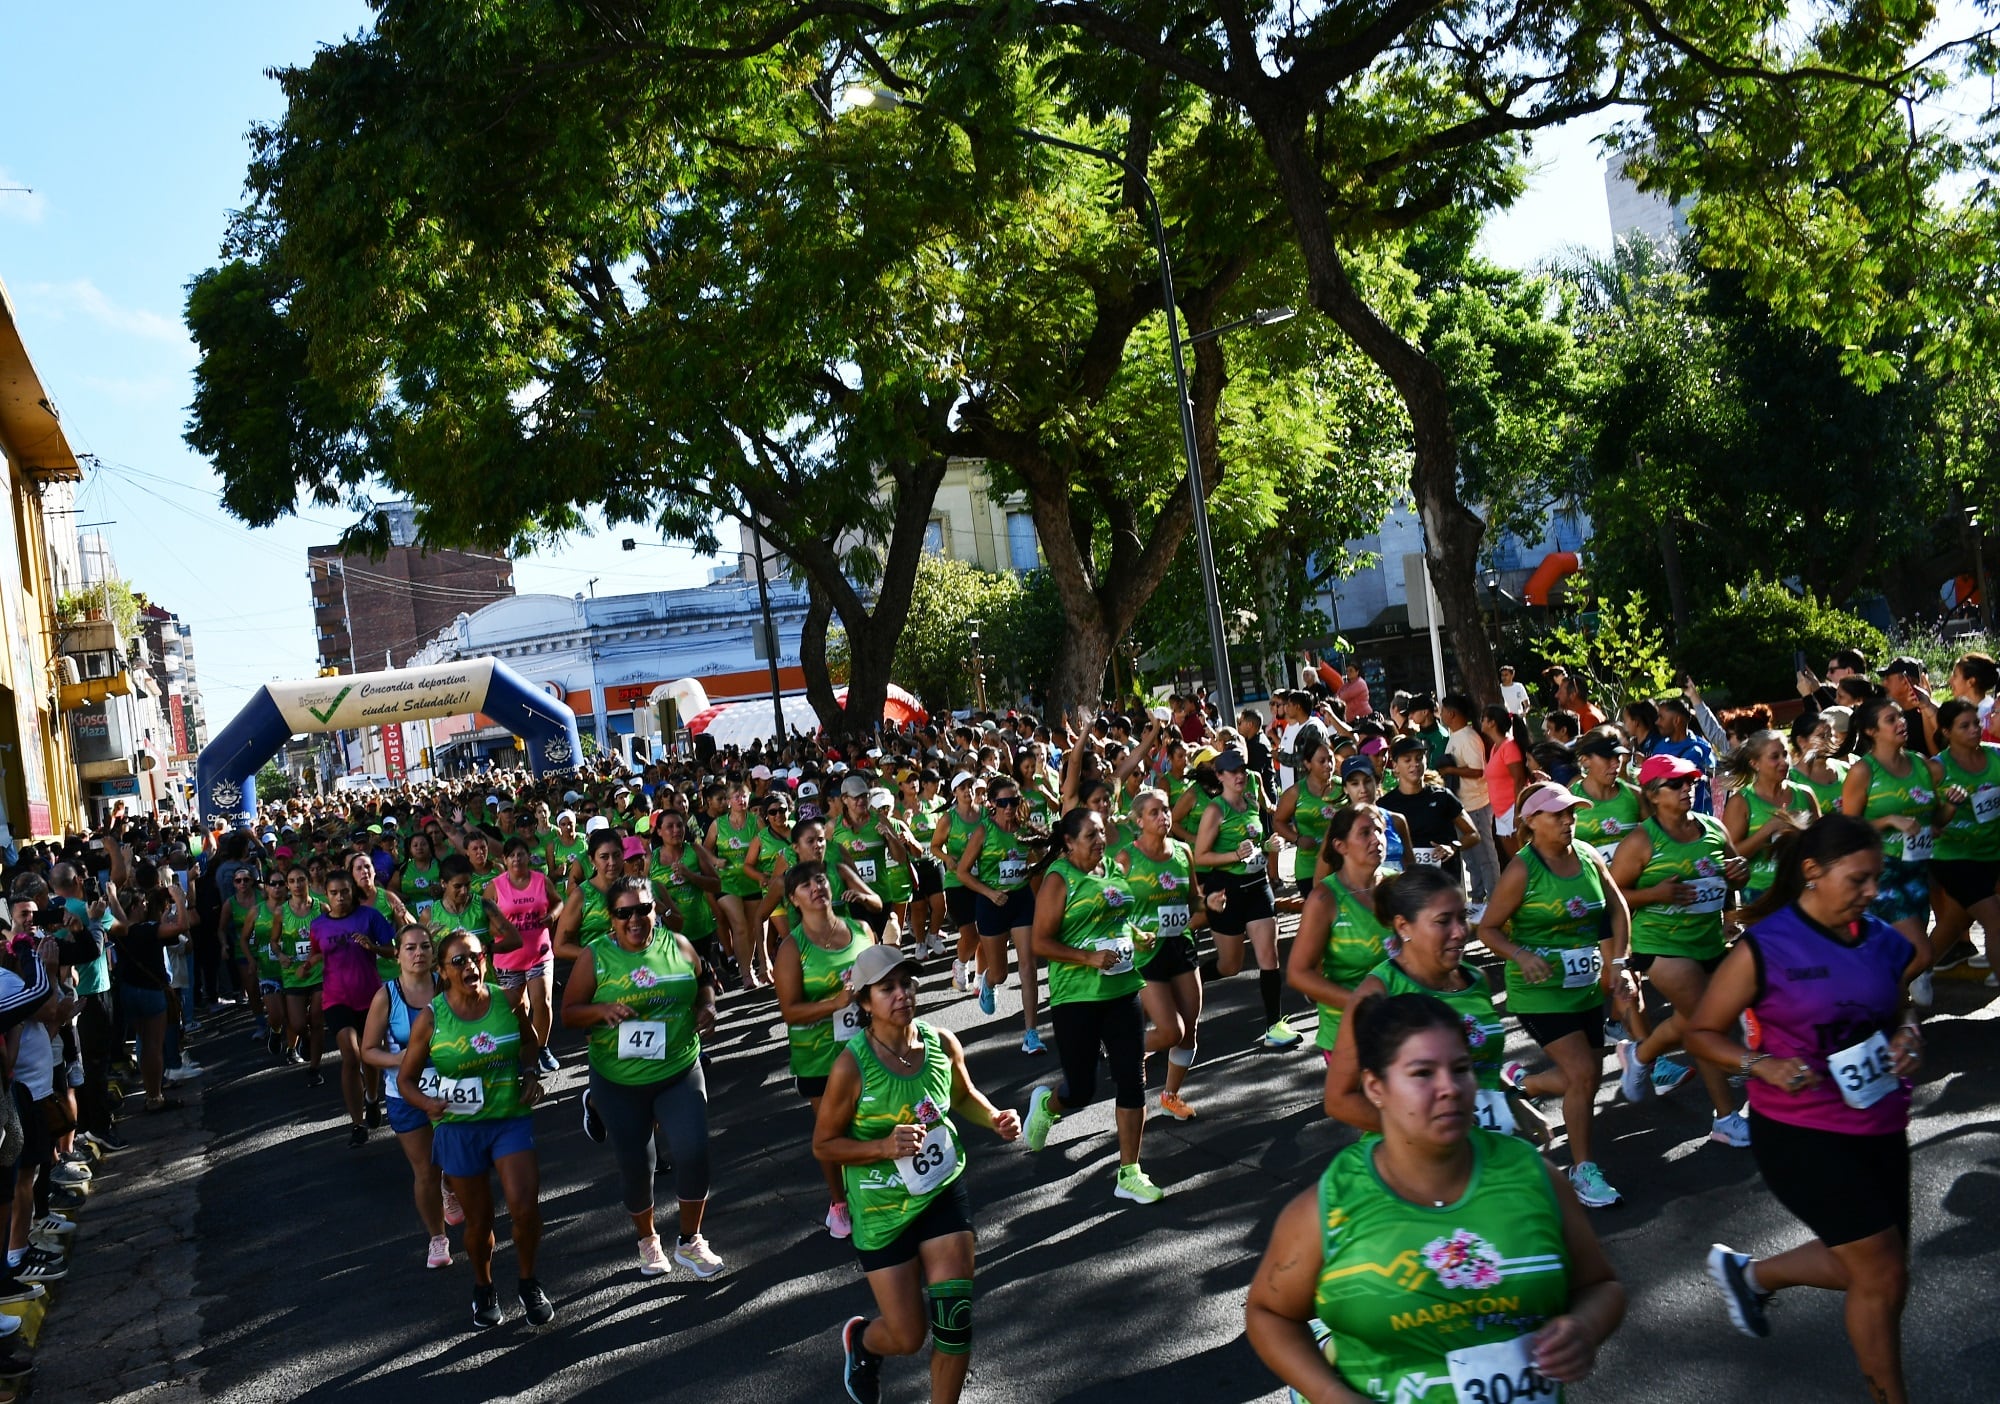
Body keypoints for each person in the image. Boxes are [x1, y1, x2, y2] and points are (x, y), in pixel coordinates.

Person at [1246, 992, 1626, 1403]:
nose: (1449, 1088)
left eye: (1460, 1068)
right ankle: (1334, 1340)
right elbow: (1269, 1314)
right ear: (1376, 1087)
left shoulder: (1533, 1178)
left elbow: (1601, 1286)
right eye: (1423, 1073)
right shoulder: (1330, 1205)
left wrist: (1583, 1328)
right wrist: (1327, 1393)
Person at [1685, 815, 1923, 1404]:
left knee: (1879, 1275)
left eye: (1877, 880)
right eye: (1860, 880)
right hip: (1801, 1132)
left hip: (1880, 1124)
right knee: (1882, 1273)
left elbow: (1896, 1014)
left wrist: (1909, 1036)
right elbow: (1702, 1033)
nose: (1873, 893)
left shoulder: (1881, 940)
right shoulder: (1766, 947)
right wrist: (1757, 1063)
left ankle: (1752, 1276)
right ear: (1813, 873)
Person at [815, 944, 1022, 1404]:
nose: (902, 994)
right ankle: (864, 1342)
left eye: (907, 983)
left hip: (940, 1192)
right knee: (908, 1336)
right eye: (887, 988)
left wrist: (993, 1118)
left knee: (955, 1322)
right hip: (882, 1209)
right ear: (865, 1002)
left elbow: (963, 1095)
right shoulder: (851, 1066)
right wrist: (882, 1146)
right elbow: (823, 1144)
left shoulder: (941, 1042)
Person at [1476, 783, 1637, 1207]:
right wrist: (1520, 953)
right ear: (1530, 822)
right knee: (1584, 1074)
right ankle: (1583, 1170)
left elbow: (1616, 907)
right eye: (1557, 815)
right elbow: (1487, 928)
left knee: (1586, 1078)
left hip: (1583, 988)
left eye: (1572, 813)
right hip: (1539, 992)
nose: (1569, 820)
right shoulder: (1522, 870)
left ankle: (1520, 1086)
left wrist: (1620, 963)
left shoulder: (1585, 854)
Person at [560, 873, 722, 1279]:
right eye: (624, 912)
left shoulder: (678, 945)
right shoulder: (595, 956)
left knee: (693, 1150)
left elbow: (704, 982)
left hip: (678, 1068)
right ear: (611, 917)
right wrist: (600, 1011)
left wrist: (709, 1008)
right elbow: (569, 1013)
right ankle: (648, 1240)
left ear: (656, 909)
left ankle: (690, 1241)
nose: (635, 919)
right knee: (638, 1163)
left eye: (643, 909)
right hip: (619, 1080)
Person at [397, 927, 552, 1330]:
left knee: (524, 1207)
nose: (470, 966)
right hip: (460, 1130)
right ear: (443, 971)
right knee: (479, 1222)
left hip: (508, 1120)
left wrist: (532, 1071)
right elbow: (405, 1081)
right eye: (459, 961)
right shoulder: (432, 1017)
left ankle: (528, 1281)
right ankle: (483, 1286)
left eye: (476, 957)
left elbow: (530, 1041)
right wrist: (429, 1104)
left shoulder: (506, 1001)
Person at [1021, 809, 1164, 1204]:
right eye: (1090, 835)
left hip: (1122, 989)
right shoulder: (1058, 880)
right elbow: (1040, 943)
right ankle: (1048, 1106)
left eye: (1102, 832)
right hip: (1077, 997)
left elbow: (1115, 920)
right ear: (1068, 842)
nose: (1100, 840)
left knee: (1133, 1078)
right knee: (1082, 1089)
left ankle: (1129, 1172)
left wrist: (1138, 937)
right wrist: (1087, 959)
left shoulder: (1112, 871)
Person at [1610, 753, 1752, 1143]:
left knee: (1695, 1023)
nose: (1687, 788)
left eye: (1690, 781)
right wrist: (1656, 892)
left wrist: (1740, 874)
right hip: (1660, 945)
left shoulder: (1711, 827)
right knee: (1707, 1023)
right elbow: (1613, 896)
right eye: (1676, 784)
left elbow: (1733, 872)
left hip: (1707, 942)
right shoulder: (1641, 840)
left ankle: (1640, 1054)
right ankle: (1725, 1118)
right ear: (1653, 794)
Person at [773, 860, 880, 1241]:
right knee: (832, 1131)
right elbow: (790, 1011)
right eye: (804, 886)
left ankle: (879, 1192)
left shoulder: (861, 929)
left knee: (875, 1121)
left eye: (819, 879)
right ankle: (839, 1202)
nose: (815, 887)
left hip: (869, 1048)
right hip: (818, 1057)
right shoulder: (791, 948)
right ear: (793, 901)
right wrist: (833, 1004)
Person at [358, 923, 454, 1268]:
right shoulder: (387, 995)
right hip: (405, 1093)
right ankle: (437, 1238)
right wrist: (401, 1058)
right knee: (425, 1170)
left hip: (453, 1088)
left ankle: (452, 1185)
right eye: (410, 948)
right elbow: (368, 1050)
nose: (418, 954)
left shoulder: (448, 986)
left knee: (458, 1163)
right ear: (396, 954)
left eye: (426, 947)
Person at [1839, 695, 1945, 1005]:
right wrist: (1887, 819)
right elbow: (1849, 828)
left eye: (1900, 717)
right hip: (1881, 871)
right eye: (1891, 720)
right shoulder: (1863, 771)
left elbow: (1935, 818)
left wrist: (1946, 810)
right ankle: (1874, 1002)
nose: (1901, 723)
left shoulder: (1920, 764)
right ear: (1872, 731)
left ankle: (1885, 1016)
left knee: (1899, 954)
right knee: (1920, 953)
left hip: (1918, 867)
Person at [1192, 746, 1297, 1047]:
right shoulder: (1215, 810)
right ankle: (1187, 981)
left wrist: (1269, 845)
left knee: (1269, 956)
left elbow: (1257, 844)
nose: (1240, 776)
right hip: (1226, 891)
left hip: (1257, 886)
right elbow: (1201, 855)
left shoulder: (1251, 799)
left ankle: (1273, 1026)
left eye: (1242, 770)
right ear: (1220, 776)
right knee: (1230, 966)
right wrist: (1233, 855)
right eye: (1233, 772)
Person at [1115, 787, 1210, 1120]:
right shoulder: (1127, 858)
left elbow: (1195, 902)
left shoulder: (1184, 852)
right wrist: (1132, 934)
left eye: (1166, 810)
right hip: (1144, 953)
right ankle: (1124, 1048)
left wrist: (1207, 909)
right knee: (1171, 1031)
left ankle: (1170, 1096)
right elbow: (1108, 909)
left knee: (1191, 1029)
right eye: (1154, 812)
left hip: (1179, 945)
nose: (1164, 817)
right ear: (1139, 820)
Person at [301, 870, 399, 1147]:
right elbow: (317, 952)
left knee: (370, 1056)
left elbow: (393, 950)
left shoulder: (369, 917)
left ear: (352, 891)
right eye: (334, 893)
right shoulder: (319, 925)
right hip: (336, 997)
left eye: (344, 891)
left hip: (370, 997)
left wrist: (373, 948)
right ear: (327, 896)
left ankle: (371, 1098)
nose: (340, 897)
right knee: (351, 1056)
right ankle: (357, 1123)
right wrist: (309, 963)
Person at [1287, 807, 1392, 1062]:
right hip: (1349, 1037)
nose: (1376, 839)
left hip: (1402, 1029)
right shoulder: (1325, 899)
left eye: (1379, 831)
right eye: (1365, 833)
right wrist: (1361, 1002)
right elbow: (1298, 974)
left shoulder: (1398, 885)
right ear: (1340, 845)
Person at [953, 775, 1045, 1053]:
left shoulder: (1024, 829)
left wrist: (1040, 843)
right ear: (992, 804)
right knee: (1002, 973)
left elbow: (1036, 862)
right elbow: (962, 872)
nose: (1009, 807)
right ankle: (988, 982)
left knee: (1028, 966)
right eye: (1003, 802)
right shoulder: (984, 831)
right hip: (991, 903)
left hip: (1020, 900)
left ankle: (1031, 1034)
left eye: (1014, 801)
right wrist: (990, 893)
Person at [1925, 698, 1999, 979]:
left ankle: (1913, 973)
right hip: (1952, 856)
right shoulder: (1936, 769)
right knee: (1995, 919)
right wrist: (1948, 809)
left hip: (1991, 851)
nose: (1974, 730)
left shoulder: (1997, 757)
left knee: (1955, 923)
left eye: (1976, 724)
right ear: (1946, 732)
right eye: (1964, 726)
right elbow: (1928, 819)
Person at [487, 837, 560, 1072]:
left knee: (544, 1002)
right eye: (512, 855)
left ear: (529, 857)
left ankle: (542, 1048)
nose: (517, 859)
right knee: (518, 1009)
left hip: (539, 951)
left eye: (521, 854)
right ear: (504, 860)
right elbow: (483, 915)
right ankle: (522, 1050)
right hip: (508, 957)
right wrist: (495, 930)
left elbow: (558, 903)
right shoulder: (495, 885)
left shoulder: (541, 880)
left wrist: (552, 916)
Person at [1722, 729, 1820, 903]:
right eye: (1774, 757)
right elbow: (1731, 857)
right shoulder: (1741, 802)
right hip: (1760, 893)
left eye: (1785, 754)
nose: (1784, 762)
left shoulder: (1804, 794)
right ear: (1755, 763)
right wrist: (1768, 829)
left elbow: (1822, 842)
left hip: (1804, 888)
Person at [1376, 736, 1477, 888]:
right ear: (1395, 766)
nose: (1414, 764)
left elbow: (1473, 834)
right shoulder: (1385, 805)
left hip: (1444, 881)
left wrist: (1452, 846)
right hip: (1407, 885)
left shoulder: (1443, 796)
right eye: (1407, 760)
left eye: (1419, 758)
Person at [1438, 695, 1498, 902]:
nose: (1441, 713)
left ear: (1452, 713)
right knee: (1470, 858)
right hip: (1462, 806)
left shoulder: (1469, 737)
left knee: (1485, 857)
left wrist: (1450, 770)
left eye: (1443, 710)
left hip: (1477, 804)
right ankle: (1479, 897)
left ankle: (1495, 897)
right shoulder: (1454, 736)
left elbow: (1478, 770)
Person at [932, 771, 987, 994]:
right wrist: (947, 858)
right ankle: (961, 965)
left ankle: (982, 978)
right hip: (957, 882)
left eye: (970, 786)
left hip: (983, 879)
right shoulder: (948, 819)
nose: (968, 790)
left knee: (987, 933)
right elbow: (935, 846)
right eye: (962, 787)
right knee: (971, 934)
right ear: (955, 792)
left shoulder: (985, 815)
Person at [1274, 729, 1337, 900]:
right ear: (1308, 764)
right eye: (1321, 761)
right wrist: (1296, 839)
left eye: (1330, 759)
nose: (1328, 765)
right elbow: (1278, 821)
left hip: (1342, 866)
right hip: (1309, 868)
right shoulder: (1296, 792)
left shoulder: (1344, 787)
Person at [1571, 728, 1640, 862]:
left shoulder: (1635, 796)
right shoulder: (1570, 800)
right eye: (1607, 757)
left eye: (1617, 756)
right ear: (1585, 761)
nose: (1615, 764)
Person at [1479, 705, 1532, 857]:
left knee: (1524, 857)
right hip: (1500, 811)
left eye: (1484, 718)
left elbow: (1520, 780)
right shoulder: (1496, 747)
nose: (1480, 721)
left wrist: (1517, 812)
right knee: (1515, 858)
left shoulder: (1509, 746)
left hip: (1512, 809)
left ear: (1492, 723)